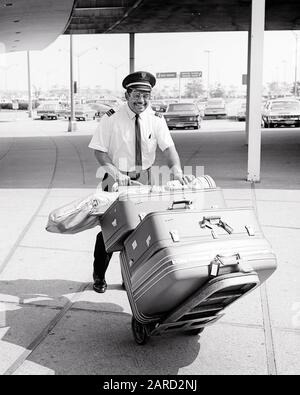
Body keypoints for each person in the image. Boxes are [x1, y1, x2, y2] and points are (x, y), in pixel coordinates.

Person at [88, 70, 186, 293]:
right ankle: (99, 277)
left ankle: (130, 278)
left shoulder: (156, 119)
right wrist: (116, 174)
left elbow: (169, 148)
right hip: (114, 177)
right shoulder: (111, 118)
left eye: (146, 96)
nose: (141, 101)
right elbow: (99, 153)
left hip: (144, 179)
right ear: (127, 95)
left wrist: (177, 172)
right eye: (136, 95)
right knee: (109, 231)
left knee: (140, 230)